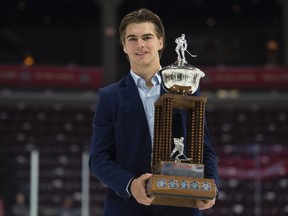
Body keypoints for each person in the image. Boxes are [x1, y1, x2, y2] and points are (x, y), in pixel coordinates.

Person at [89, 8, 219, 216]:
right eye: (132, 38)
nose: (140, 44)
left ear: (160, 42)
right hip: (126, 208)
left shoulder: (186, 87)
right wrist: (130, 185)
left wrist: (211, 187)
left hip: (181, 209)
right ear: (123, 46)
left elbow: (205, 149)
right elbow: (98, 159)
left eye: (147, 37)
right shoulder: (109, 97)